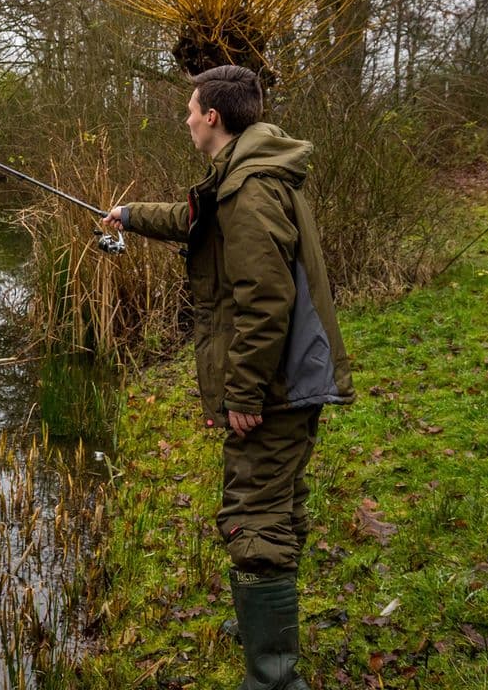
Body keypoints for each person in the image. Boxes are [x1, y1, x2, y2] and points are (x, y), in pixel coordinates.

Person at [100, 65, 354, 690]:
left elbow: (265, 302)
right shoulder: (241, 174)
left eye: (190, 109)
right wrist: (129, 216)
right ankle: (262, 625)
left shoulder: (251, 189)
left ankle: (272, 677)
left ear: (212, 116)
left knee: (256, 514)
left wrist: (243, 393)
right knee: (278, 505)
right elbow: (195, 221)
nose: (185, 118)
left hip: (275, 386)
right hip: (287, 379)